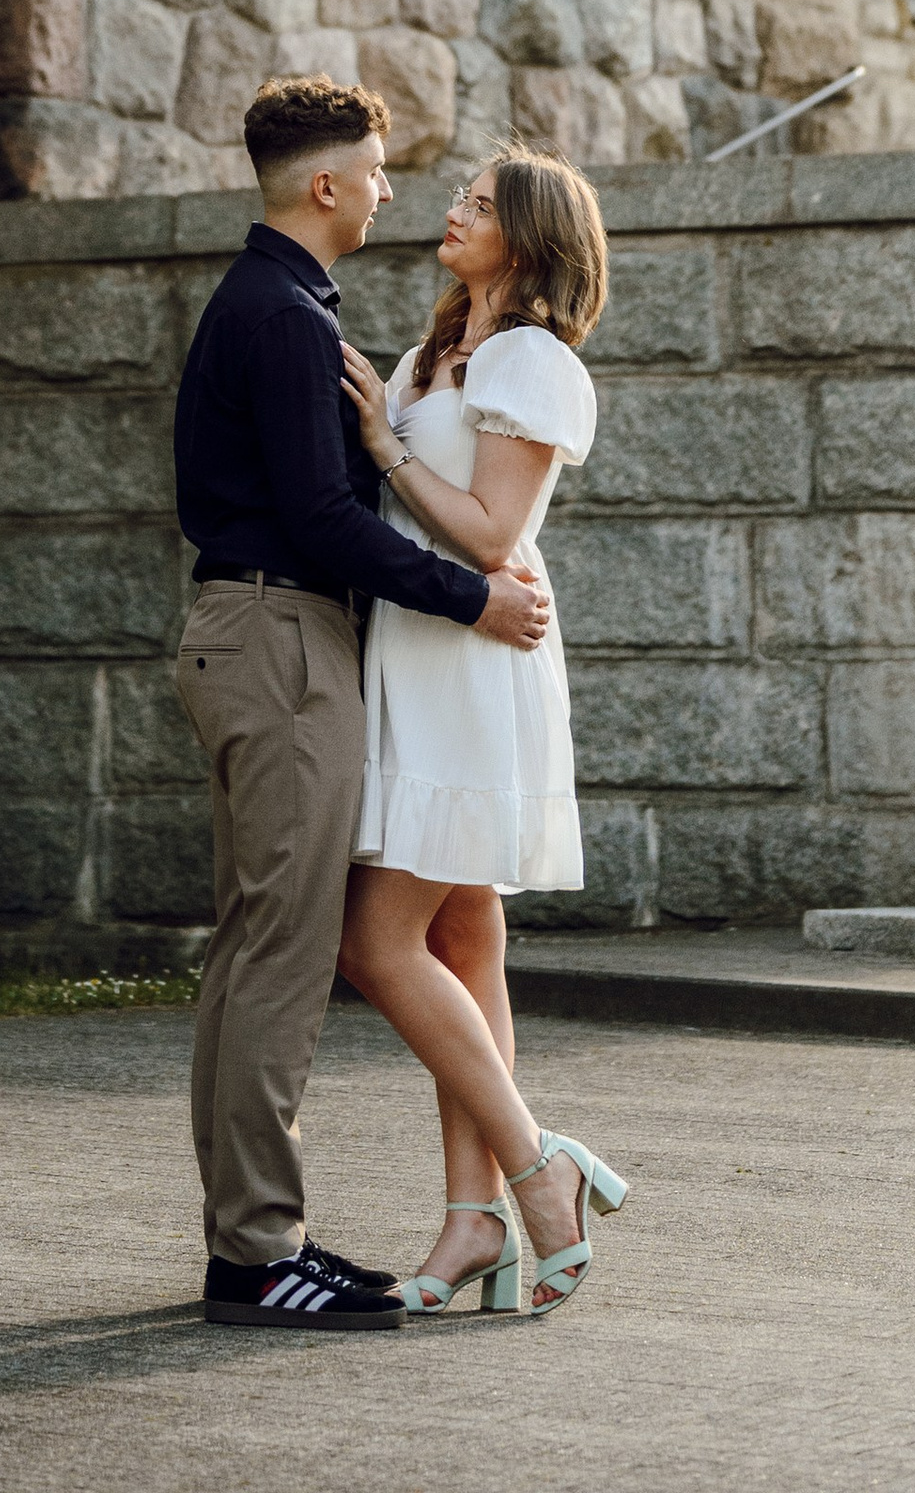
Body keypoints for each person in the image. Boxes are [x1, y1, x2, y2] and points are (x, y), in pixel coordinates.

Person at [172, 73, 554, 1332]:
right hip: (280, 639)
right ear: (327, 182)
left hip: (264, 635)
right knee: (283, 954)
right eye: (379, 170)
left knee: (256, 944)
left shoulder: (277, 302)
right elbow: (324, 518)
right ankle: (257, 1253)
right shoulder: (283, 314)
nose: (392, 190)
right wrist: (470, 596)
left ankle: (250, 1241)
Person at [336, 143, 627, 1316]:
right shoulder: (431, 353)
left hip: (472, 659)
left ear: (531, 236)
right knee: (462, 943)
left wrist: (384, 444)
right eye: (459, 196)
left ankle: (537, 1164)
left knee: (376, 942)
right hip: (416, 652)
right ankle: (472, 1220)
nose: (452, 212)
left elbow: (494, 530)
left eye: (480, 204)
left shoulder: (530, 358)